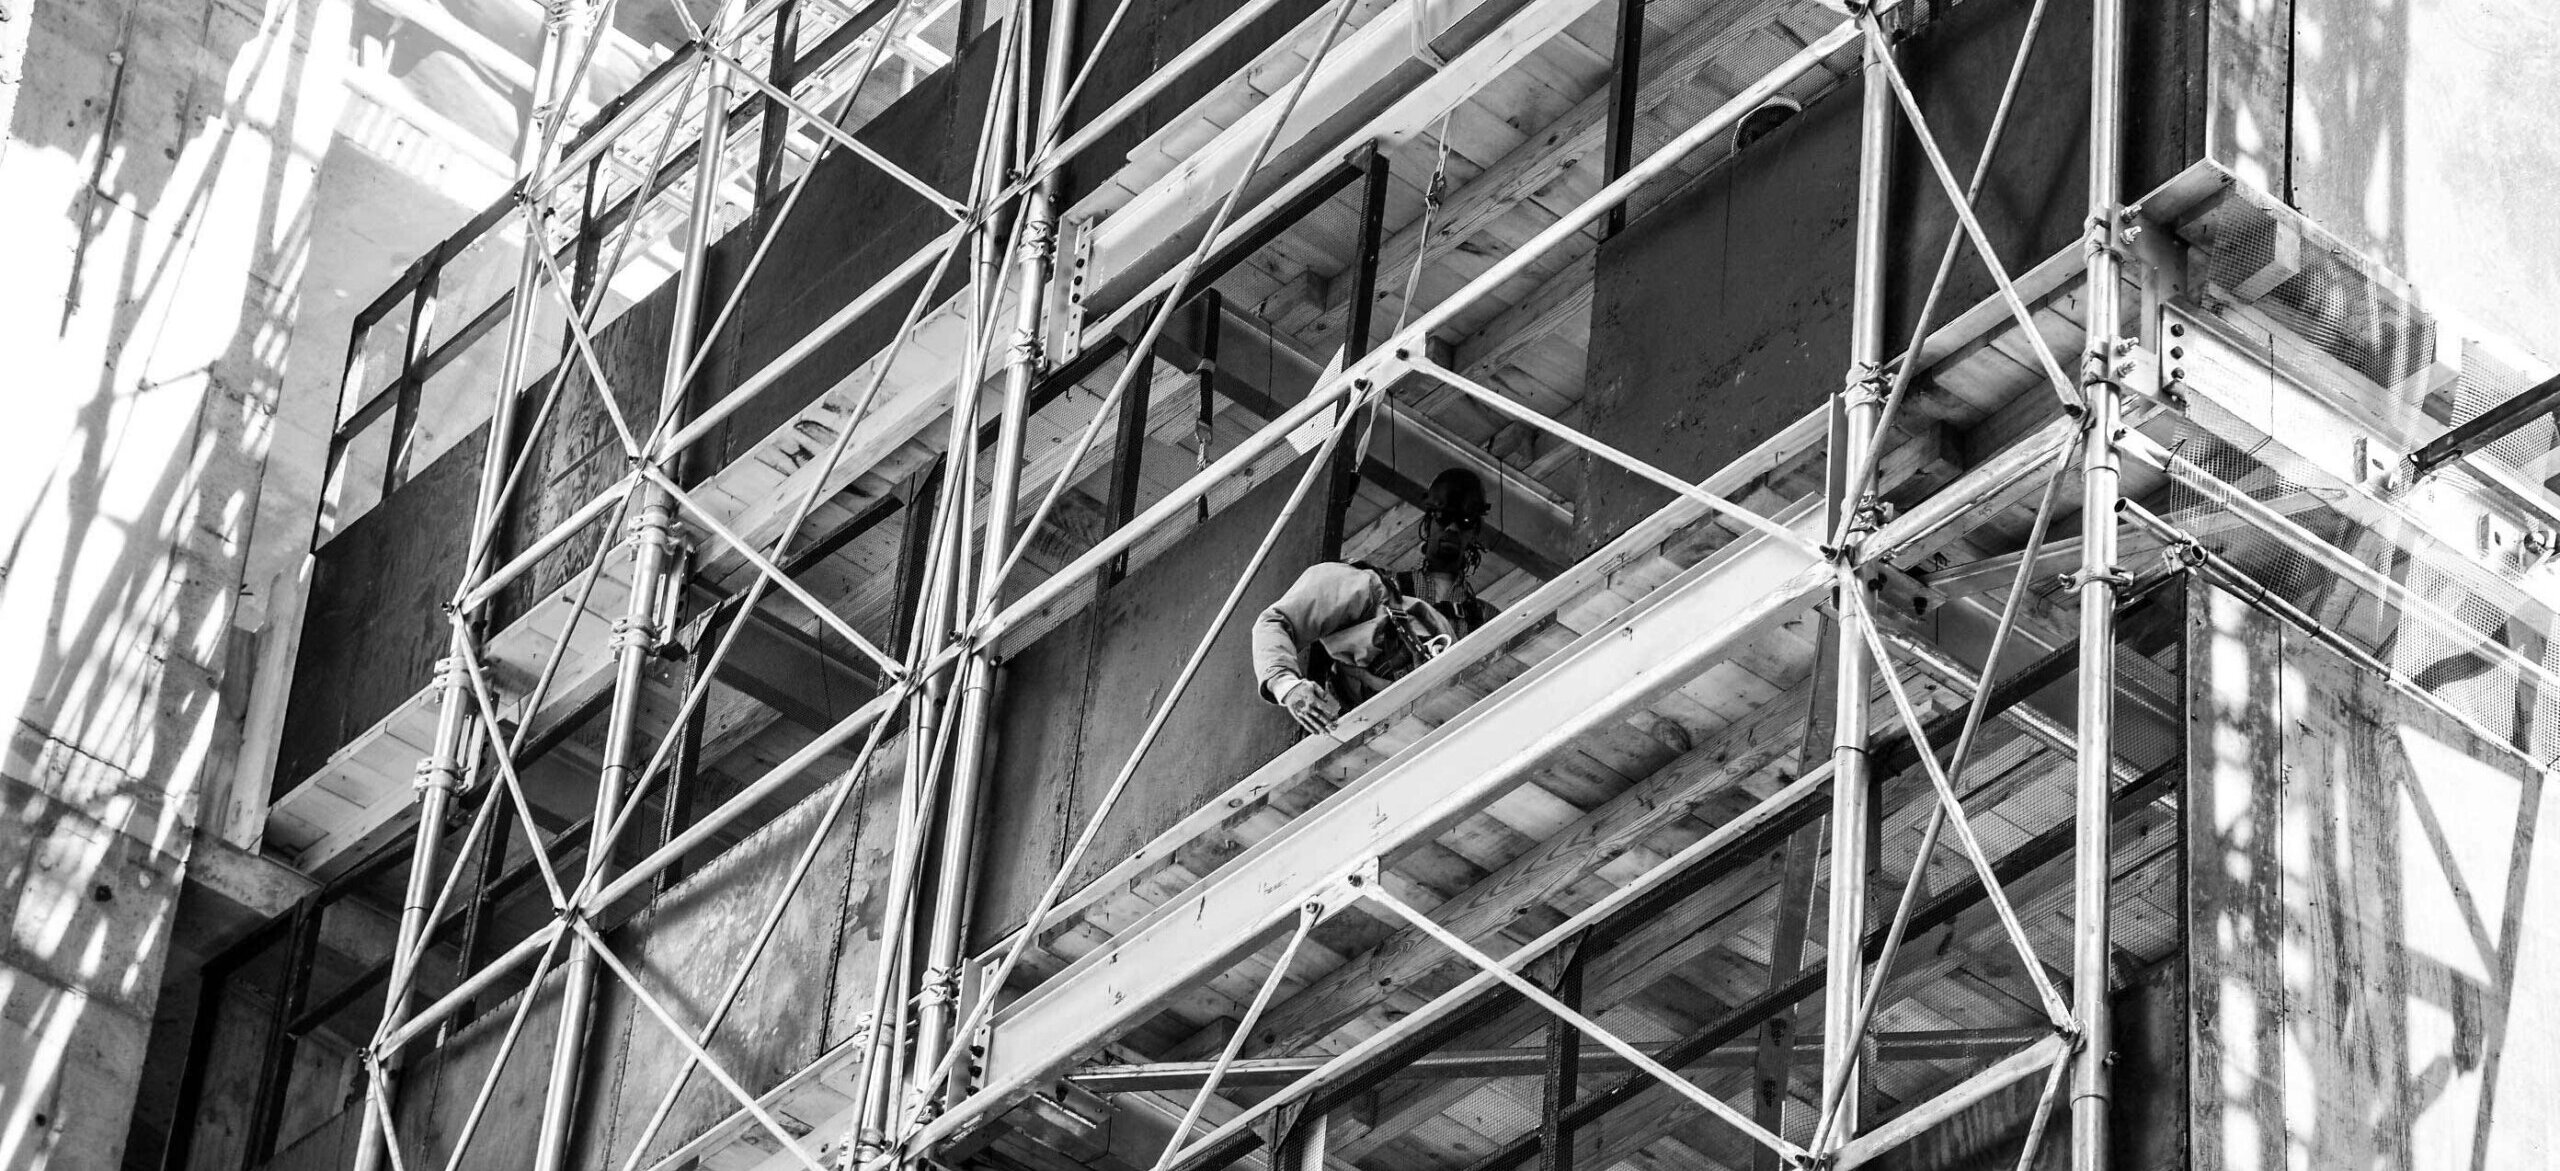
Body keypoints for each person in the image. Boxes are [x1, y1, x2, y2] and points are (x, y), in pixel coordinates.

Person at [1252, 468, 1499, 735]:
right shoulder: (1377, 588)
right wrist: (1287, 686)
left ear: (1475, 530)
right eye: (1445, 517)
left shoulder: (1488, 620)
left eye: (1463, 520)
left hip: (1453, 734)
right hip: (1367, 733)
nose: (1452, 528)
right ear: (1429, 522)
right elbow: (1277, 620)